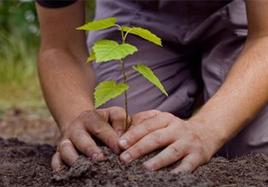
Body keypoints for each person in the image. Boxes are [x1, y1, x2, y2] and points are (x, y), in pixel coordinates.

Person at [36, 0, 268, 173]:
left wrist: (207, 128)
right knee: (120, 138)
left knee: (255, 148)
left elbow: (265, 37)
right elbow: (60, 47)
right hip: (136, 9)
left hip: (245, 11)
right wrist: (76, 118)